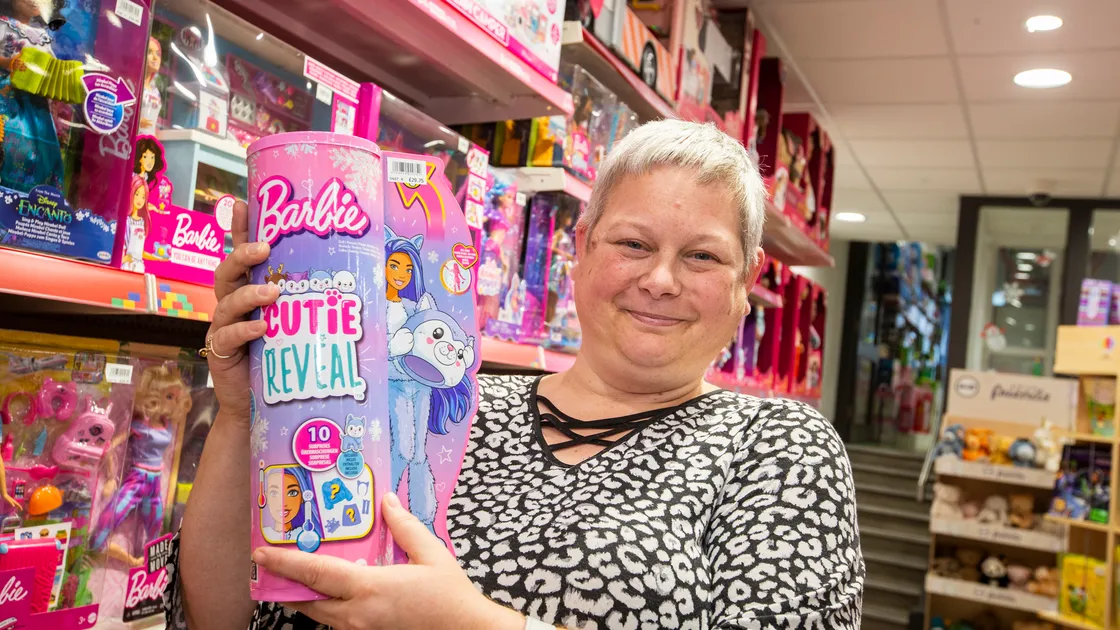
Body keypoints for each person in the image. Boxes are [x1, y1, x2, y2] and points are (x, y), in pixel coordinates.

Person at [168, 120, 863, 630]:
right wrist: (241, 417)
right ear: (581, 252)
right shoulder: (443, 400)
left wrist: (467, 625)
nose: (659, 279)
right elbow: (227, 617)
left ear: (746, 284)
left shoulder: (778, 448)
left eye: (702, 257)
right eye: (633, 243)